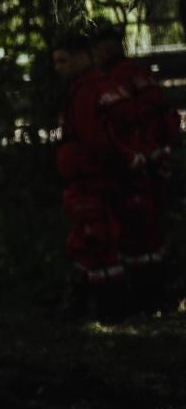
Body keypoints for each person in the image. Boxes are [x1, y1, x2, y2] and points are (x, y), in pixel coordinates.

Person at [91, 21, 179, 311]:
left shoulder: (115, 79)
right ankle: (158, 292)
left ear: (105, 49)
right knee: (151, 230)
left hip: (137, 164)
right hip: (154, 159)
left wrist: (132, 156)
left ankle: (146, 297)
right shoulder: (140, 73)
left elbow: (122, 124)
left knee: (136, 232)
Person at [52, 30, 126, 319]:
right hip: (91, 179)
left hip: (90, 181)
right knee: (91, 244)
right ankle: (96, 307)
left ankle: (109, 310)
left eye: (63, 61)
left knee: (97, 245)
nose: (58, 68)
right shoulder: (97, 86)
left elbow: (94, 140)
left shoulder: (86, 91)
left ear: (82, 57)